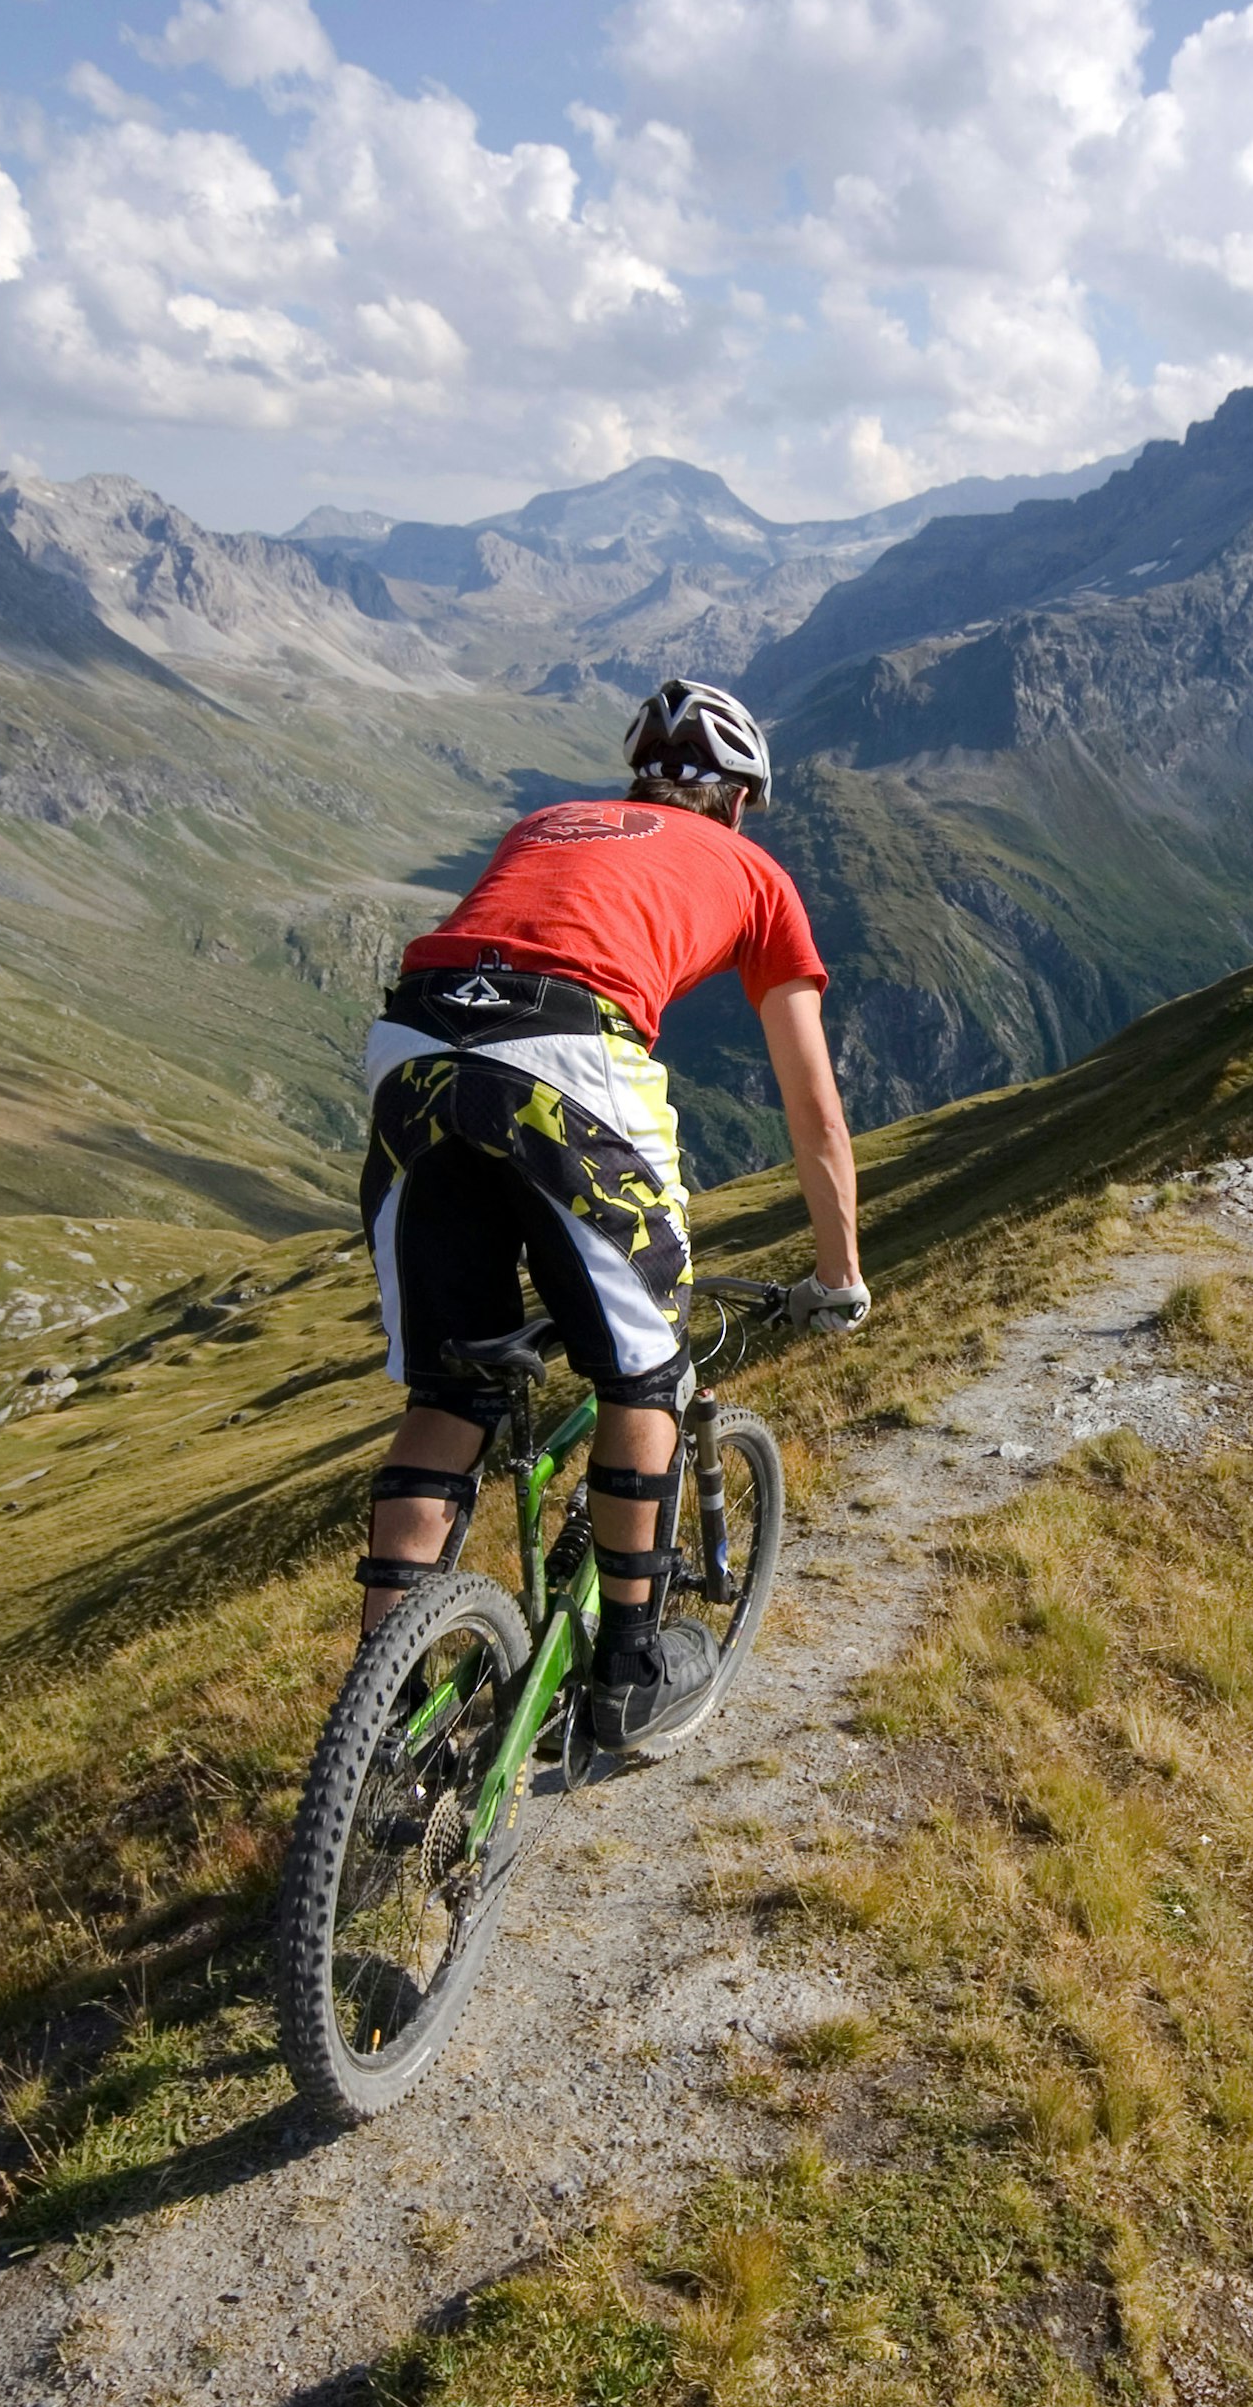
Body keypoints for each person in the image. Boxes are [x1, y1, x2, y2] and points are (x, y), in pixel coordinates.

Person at [349, 678, 868, 1750]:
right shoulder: (755, 873)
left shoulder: (545, 824)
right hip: (567, 1056)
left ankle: (379, 1726)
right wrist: (840, 1274)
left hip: (410, 1053)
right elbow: (815, 1110)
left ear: (640, 780)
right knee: (642, 1373)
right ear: (737, 803)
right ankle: (629, 1674)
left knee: (450, 1391)